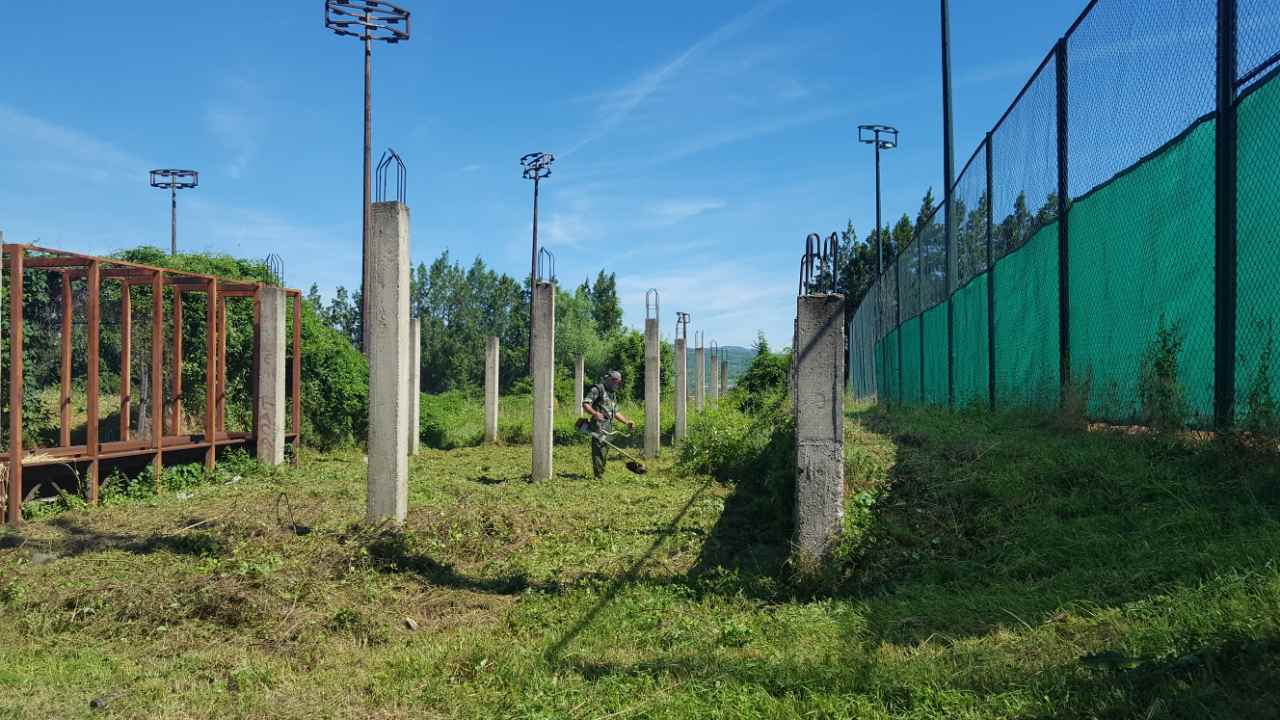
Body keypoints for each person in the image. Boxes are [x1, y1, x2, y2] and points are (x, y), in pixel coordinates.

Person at [582, 370, 635, 479]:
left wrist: (626, 422)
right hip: (598, 424)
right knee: (598, 450)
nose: (616, 384)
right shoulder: (598, 389)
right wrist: (595, 413)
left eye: (618, 382)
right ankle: (598, 476)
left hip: (608, 425)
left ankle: (600, 473)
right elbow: (586, 403)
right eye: (614, 381)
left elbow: (615, 412)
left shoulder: (612, 394)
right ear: (608, 380)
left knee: (604, 450)